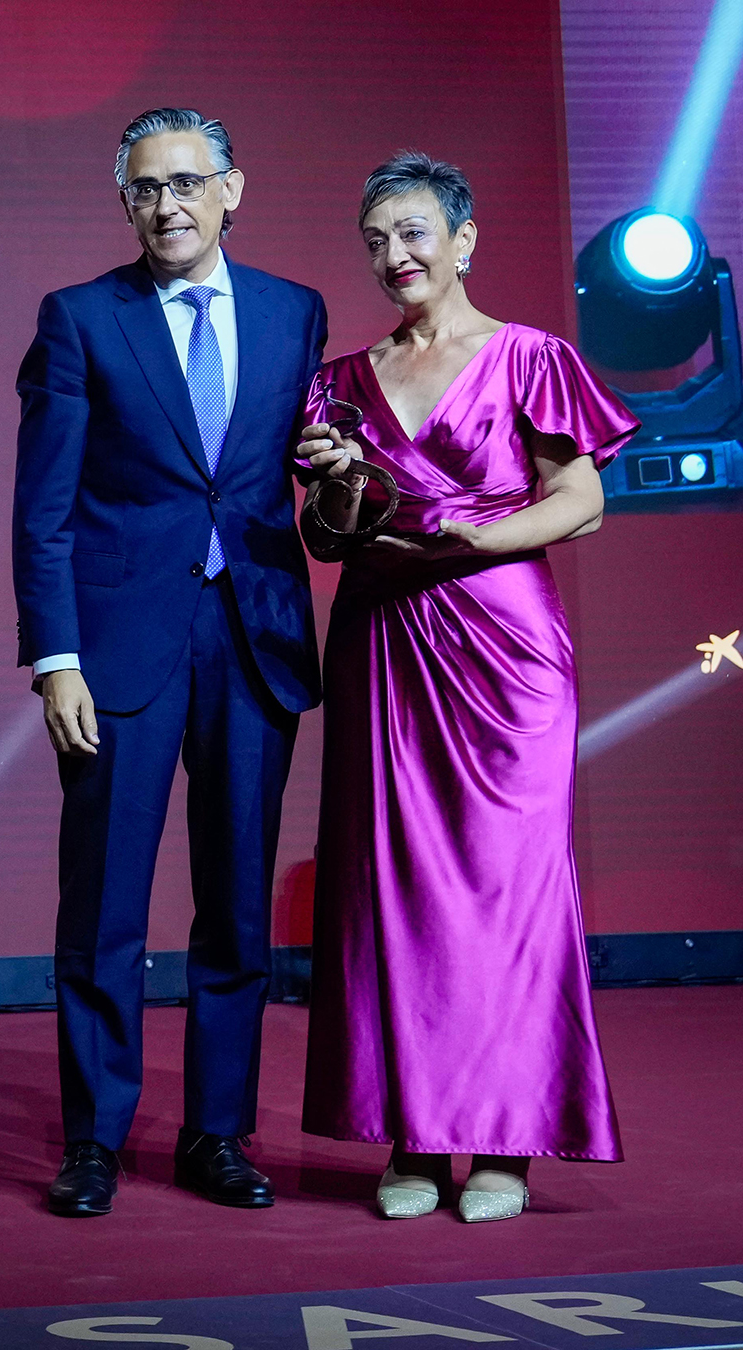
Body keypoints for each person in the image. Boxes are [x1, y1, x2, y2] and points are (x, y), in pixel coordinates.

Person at [297, 153, 638, 1223]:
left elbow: (581, 501)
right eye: (376, 241)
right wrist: (341, 491)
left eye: (413, 232)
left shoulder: (530, 355)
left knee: (505, 887)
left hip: (503, 644)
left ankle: (506, 1142)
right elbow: (323, 536)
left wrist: (475, 535)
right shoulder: (339, 381)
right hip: (382, 638)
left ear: (465, 239)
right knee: (394, 889)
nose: (394, 255)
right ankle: (413, 1133)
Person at [12, 108, 326, 1217]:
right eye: (145, 188)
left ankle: (216, 1134)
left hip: (254, 638)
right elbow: (42, 511)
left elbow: (302, 479)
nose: (167, 206)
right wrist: (56, 659)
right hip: (118, 650)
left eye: (188, 182)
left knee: (237, 906)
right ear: (125, 202)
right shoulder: (79, 318)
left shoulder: (295, 311)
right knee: (103, 906)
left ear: (231, 190)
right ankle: (94, 1141)